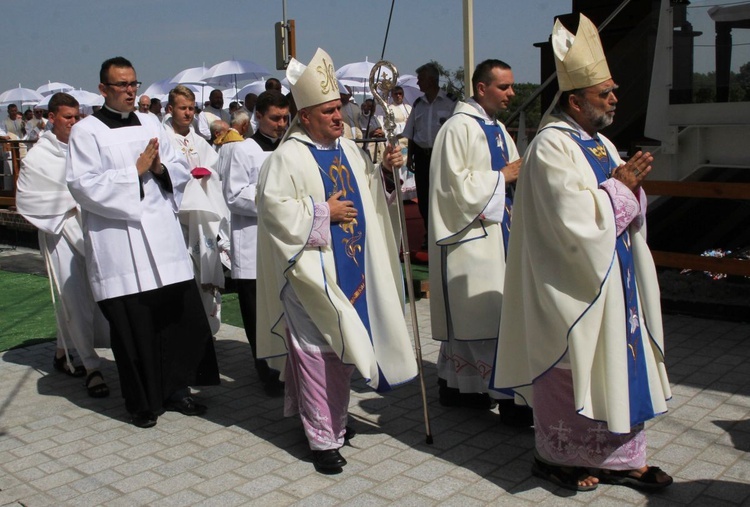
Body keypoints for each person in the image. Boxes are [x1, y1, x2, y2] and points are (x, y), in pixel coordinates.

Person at [492, 15, 673, 492]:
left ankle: (624, 459)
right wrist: (620, 189)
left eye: (613, 91)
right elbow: (570, 220)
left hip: (615, 279)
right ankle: (557, 459)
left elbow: (624, 201)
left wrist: (629, 191)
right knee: (571, 368)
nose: (614, 99)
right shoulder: (552, 146)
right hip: (568, 285)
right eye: (604, 93)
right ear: (575, 100)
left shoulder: (601, 142)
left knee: (617, 362)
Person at [256, 48, 417, 473]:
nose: (337, 116)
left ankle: (330, 420)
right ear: (304, 115)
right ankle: (323, 440)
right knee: (315, 355)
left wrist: (384, 171)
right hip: (310, 274)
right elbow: (275, 212)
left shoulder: (347, 147)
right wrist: (324, 213)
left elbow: (370, 196)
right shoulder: (287, 157)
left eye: (338, 108)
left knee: (342, 353)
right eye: (328, 111)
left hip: (352, 269)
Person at [66, 56, 220, 428]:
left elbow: (175, 168)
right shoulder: (87, 131)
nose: (130, 91)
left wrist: (158, 169)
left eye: (134, 84)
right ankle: (142, 402)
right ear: (104, 89)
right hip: (120, 244)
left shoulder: (151, 122)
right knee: (135, 329)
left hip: (162, 241)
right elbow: (82, 185)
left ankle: (177, 389)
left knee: (174, 320)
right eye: (121, 85)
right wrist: (132, 172)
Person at [429, 59, 530, 426]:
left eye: (511, 86)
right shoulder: (458, 129)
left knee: (494, 319)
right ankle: (505, 399)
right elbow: (452, 188)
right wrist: (502, 177)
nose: (511, 94)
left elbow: (517, 175)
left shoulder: (499, 129)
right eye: (504, 87)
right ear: (482, 88)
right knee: (482, 321)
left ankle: (464, 389)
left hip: (500, 235)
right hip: (471, 240)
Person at [16, 92, 110, 398]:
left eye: (77, 116)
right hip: (58, 230)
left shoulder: (86, 150)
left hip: (91, 230)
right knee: (73, 297)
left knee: (96, 294)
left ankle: (62, 352)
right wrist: (72, 200)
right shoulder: (39, 157)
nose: (74, 122)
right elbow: (28, 198)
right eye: (68, 117)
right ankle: (91, 366)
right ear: (52, 118)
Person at [221, 90, 289, 396]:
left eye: (285, 118)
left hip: (284, 241)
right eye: (275, 118)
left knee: (284, 307)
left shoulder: (290, 148)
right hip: (253, 242)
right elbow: (234, 195)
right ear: (258, 116)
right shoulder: (242, 150)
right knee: (258, 312)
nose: (281, 124)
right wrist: (275, 200)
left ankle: (289, 363)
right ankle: (266, 369)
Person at [164, 85, 231, 336]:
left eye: (191, 108)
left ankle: (205, 324)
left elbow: (214, 169)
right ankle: (182, 326)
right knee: (182, 272)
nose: (188, 113)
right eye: (183, 108)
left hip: (201, 215)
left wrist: (206, 175)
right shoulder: (163, 139)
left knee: (205, 266)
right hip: (176, 216)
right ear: (171, 109)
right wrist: (185, 178)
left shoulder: (199, 141)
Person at [403, 62, 456, 239]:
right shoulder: (418, 104)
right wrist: (410, 157)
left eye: (420, 79)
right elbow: (411, 132)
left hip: (442, 156)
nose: (418, 83)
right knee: (424, 198)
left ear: (431, 80)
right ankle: (429, 233)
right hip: (422, 156)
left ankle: (445, 231)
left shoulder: (451, 103)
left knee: (443, 193)